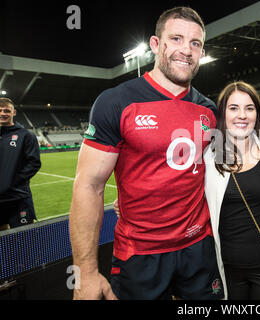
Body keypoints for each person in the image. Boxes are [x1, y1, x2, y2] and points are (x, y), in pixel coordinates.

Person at [69, 7, 224, 300]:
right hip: (140, 255)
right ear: (155, 44)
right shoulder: (116, 102)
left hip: (199, 247)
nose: (186, 50)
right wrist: (85, 273)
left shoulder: (209, 110)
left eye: (195, 43)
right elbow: (88, 186)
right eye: (176, 39)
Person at [113, 81, 260, 300]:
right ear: (222, 114)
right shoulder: (209, 154)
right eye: (233, 108)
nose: (242, 115)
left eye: (249, 108)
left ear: (257, 113)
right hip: (226, 269)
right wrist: (128, 202)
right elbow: (175, 183)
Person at [0, 98, 41, 230]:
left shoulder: (25, 135)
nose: (3, 113)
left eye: (7, 110)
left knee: (24, 237)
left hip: (18, 197)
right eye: (0, 110)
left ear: (14, 112)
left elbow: (34, 163)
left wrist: (12, 180)